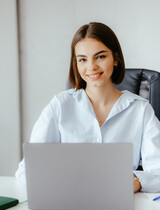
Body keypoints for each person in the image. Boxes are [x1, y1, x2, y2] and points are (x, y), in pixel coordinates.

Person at [15, 22, 160, 193]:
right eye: (82, 59)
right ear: (75, 64)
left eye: (100, 57)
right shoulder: (60, 106)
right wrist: (59, 184)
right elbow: (26, 171)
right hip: (68, 203)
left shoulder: (141, 110)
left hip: (120, 204)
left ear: (116, 58)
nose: (91, 67)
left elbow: (157, 172)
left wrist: (134, 183)